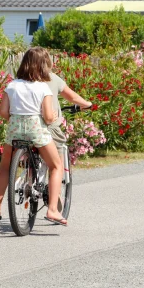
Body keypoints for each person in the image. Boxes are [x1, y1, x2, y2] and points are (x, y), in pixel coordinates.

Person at [0, 47, 67, 227]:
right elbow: (47, 117)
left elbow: (3, 112)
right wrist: (52, 117)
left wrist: (16, 119)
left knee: (5, 167)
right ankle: (53, 209)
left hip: (14, 129)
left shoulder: (12, 85)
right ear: (43, 66)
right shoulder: (42, 88)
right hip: (35, 129)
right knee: (56, 165)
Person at [45, 71, 93, 212]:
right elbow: (71, 96)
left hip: (23, 126)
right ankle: (56, 194)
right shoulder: (51, 77)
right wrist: (87, 104)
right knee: (57, 161)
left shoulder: (22, 80)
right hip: (49, 125)